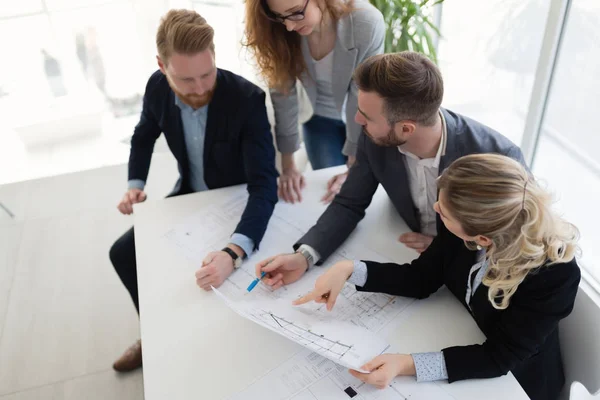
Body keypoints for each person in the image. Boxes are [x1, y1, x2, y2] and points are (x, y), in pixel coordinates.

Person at [294, 154, 581, 400]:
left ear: (482, 237)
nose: (435, 209)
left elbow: (498, 357)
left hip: (515, 383)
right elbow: (421, 278)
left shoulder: (554, 276)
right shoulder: (462, 223)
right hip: (462, 332)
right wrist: (348, 270)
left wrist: (408, 364)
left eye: (442, 212)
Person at [256, 51, 527, 289]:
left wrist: (450, 250)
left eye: (367, 116)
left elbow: (514, 241)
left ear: (406, 128)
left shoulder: (500, 157)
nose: (356, 119)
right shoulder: (376, 137)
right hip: (403, 254)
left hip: (463, 280)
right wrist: (304, 256)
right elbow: (349, 202)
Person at [108, 9, 278, 372]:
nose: (200, 89)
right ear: (161, 65)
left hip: (238, 202)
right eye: (186, 80)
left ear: (215, 58)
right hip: (190, 192)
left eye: (207, 74)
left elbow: (265, 185)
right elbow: (143, 136)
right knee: (123, 253)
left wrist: (233, 251)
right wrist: (135, 185)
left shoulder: (247, 100)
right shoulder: (156, 87)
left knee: (221, 279)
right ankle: (153, 336)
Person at [243, 0, 385, 203]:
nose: (289, 26)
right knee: (326, 191)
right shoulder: (280, 31)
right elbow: (284, 95)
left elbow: (361, 95)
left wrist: (354, 164)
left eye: (295, 13)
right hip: (317, 119)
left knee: (358, 188)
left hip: (362, 118)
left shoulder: (366, 22)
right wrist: (288, 166)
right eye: (280, 17)